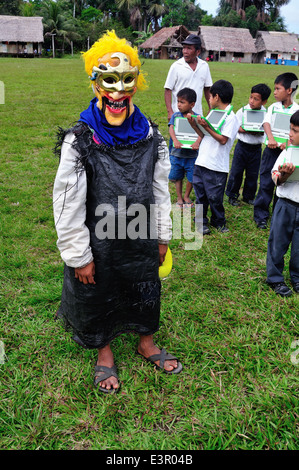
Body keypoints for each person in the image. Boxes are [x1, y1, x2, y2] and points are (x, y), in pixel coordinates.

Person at [53, 30, 182, 395]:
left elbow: (160, 190)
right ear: (95, 84)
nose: (117, 92)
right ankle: (104, 349)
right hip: (99, 239)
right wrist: (79, 254)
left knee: (145, 285)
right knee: (97, 289)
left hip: (140, 235)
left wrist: (162, 236)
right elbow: (66, 202)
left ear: (136, 84)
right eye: (109, 81)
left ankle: (146, 340)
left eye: (127, 81)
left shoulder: (152, 137)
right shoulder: (79, 139)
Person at [187, 80, 239, 234]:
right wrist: (194, 125)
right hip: (202, 161)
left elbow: (223, 140)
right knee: (200, 194)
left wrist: (206, 126)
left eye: (210, 96)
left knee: (214, 197)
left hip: (216, 165)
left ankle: (219, 221)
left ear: (216, 97)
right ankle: (200, 221)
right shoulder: (213, 112)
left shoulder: (231, 117)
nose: (208, 99)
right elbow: (204, 135)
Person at [254, 73, 299, 229]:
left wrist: (287, 143)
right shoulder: (273, 107)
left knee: (282, 183)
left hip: (287, 153)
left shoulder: (297, 109)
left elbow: (295, 130)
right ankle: (261, 216)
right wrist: (271, 139)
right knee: (266, 183)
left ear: (289, 90)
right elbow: (266, 123)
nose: (274, 92)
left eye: (278, 88)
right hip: (270, 151)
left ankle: (277, 216)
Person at [266, 110, 299, 297]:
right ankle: (275, 278)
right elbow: (275, 176)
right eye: (290, 129)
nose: (290, 134)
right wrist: (284, 174)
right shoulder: (287, 151)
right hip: (285, 205)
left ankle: (297, 277)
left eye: (295, 130)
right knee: (277, 243)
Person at [226, 83, 271, 206]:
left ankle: (248, 196)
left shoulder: (265, 114)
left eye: (256, 99)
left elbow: (266, 131)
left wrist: (259, 132)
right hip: (242, 147)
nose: (252, 101)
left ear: (264, 101)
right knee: (236, 172)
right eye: (251, 97)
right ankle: (232, 194)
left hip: (256, 149)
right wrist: (246, 129)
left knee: (252, 174)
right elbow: (236, 127)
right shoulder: (243, 111)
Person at [164, 34, 213, 121]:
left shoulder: (204, 66)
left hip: (197, 115)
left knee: (197, 134)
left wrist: (210, 108)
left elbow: (207, 88)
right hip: (178, 114)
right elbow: (168, 89)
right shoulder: (176, 66)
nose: (185, 51)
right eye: (184, 48)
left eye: (189, 48)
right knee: (177, 134)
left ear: (198, 51)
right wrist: (170, 112)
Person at [168, 87, 202, 208]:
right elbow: (171, 128)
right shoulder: (176, 116)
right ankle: (179, 198)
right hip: (177, 153)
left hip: (192, 155)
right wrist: (175, 140)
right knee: (178, 177)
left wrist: (197, 142)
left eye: (182, 102)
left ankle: (186, 195)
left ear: (192, 104)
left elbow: (201, 132)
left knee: (191, 177)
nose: (178, 105)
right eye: (178, 101)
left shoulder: (197, 117)